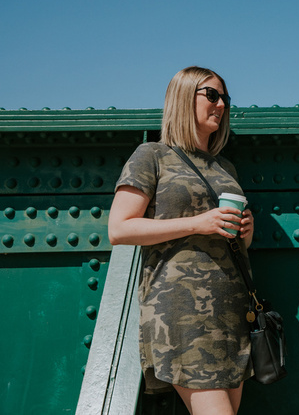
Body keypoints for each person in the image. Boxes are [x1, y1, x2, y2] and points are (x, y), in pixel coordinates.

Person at [108, 66, 255, 415]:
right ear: (183, 96)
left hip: (232, 310)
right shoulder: (152, 155)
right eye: (212, 95)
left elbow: (228, 241)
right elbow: (120, 229)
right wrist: (197, 223)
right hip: (181, 310)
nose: (221, 105)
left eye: (225, 99)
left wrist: (245, 232)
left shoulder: (226, 169)